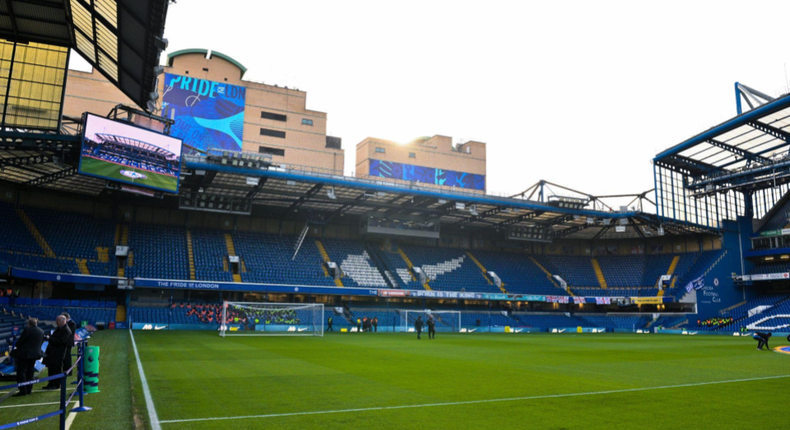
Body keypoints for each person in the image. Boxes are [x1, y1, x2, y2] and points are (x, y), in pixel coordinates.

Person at [10, 318, 44, 397]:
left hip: (25, 354)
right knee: (30, 371)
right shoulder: (41, 331)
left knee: (21, 371)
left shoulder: (27, 330)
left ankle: (22, 390)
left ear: (29, 324)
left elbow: (19, 342)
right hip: (34, 354)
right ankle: (29, 389)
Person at [42, 315, 72, 390]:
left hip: (58, 353)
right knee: (51, 369)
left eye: (57, 321)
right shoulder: (60, 329)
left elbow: (61, 341)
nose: (56, 322)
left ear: (62, 321)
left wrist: (50, 338)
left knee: (56, 369)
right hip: (53, 353)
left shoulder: (66, 330)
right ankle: (51, 383)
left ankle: (56, 384)